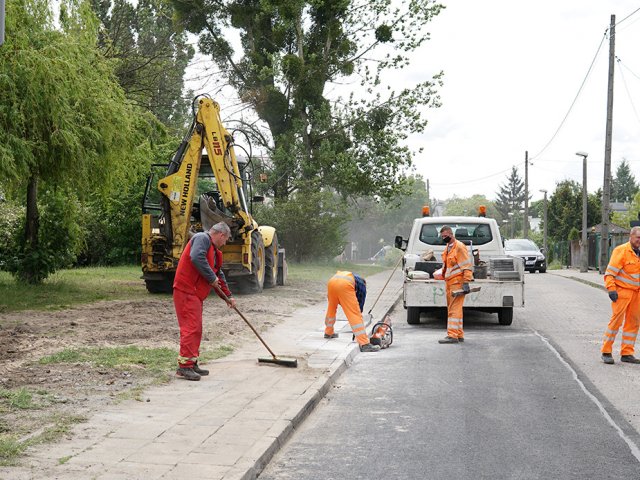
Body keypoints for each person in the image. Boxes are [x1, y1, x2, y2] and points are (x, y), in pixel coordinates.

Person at [173, 222, 236, 380]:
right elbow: (196, 257)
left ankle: (191, 362)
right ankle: (184, 367)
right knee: (191, 328)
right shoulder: (202, 238)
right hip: (186, 291)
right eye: (226, 239)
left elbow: (218, 274)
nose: (225, 243)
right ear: (221, 235)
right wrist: (211, 277)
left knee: (197, 328)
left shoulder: (214, 251)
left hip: (195, 294)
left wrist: (228, 297)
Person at [601, 226, 640, 365]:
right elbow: (610, 272)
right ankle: (606, 351)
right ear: (631, 236)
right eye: (638, 238)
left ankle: (627, 353)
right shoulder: (621, 251)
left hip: (637, 294)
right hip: (622, 293)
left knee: (633, 323)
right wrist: (611, 289)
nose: (639, 241)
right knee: (616, 322)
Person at [323, 271, 380, 352]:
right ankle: (364, 343)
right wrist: (358, 315)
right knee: (354, 314)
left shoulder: (354, 278)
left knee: (331, 308)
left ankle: (328, 332)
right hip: (344, 285)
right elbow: (360, 305)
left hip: (332, 282)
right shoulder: (362, 285)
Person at [438, 225, 474, 344]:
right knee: (453, 309)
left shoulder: (459, 247)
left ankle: (452, 335)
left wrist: (466, 282)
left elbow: (466, 265)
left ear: (451, 234)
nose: (444, 238)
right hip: (450, 282)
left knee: (454, 309)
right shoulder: (448, 247)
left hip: (457, 282)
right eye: (442, 236)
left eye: (445, 236)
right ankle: (459, 334)